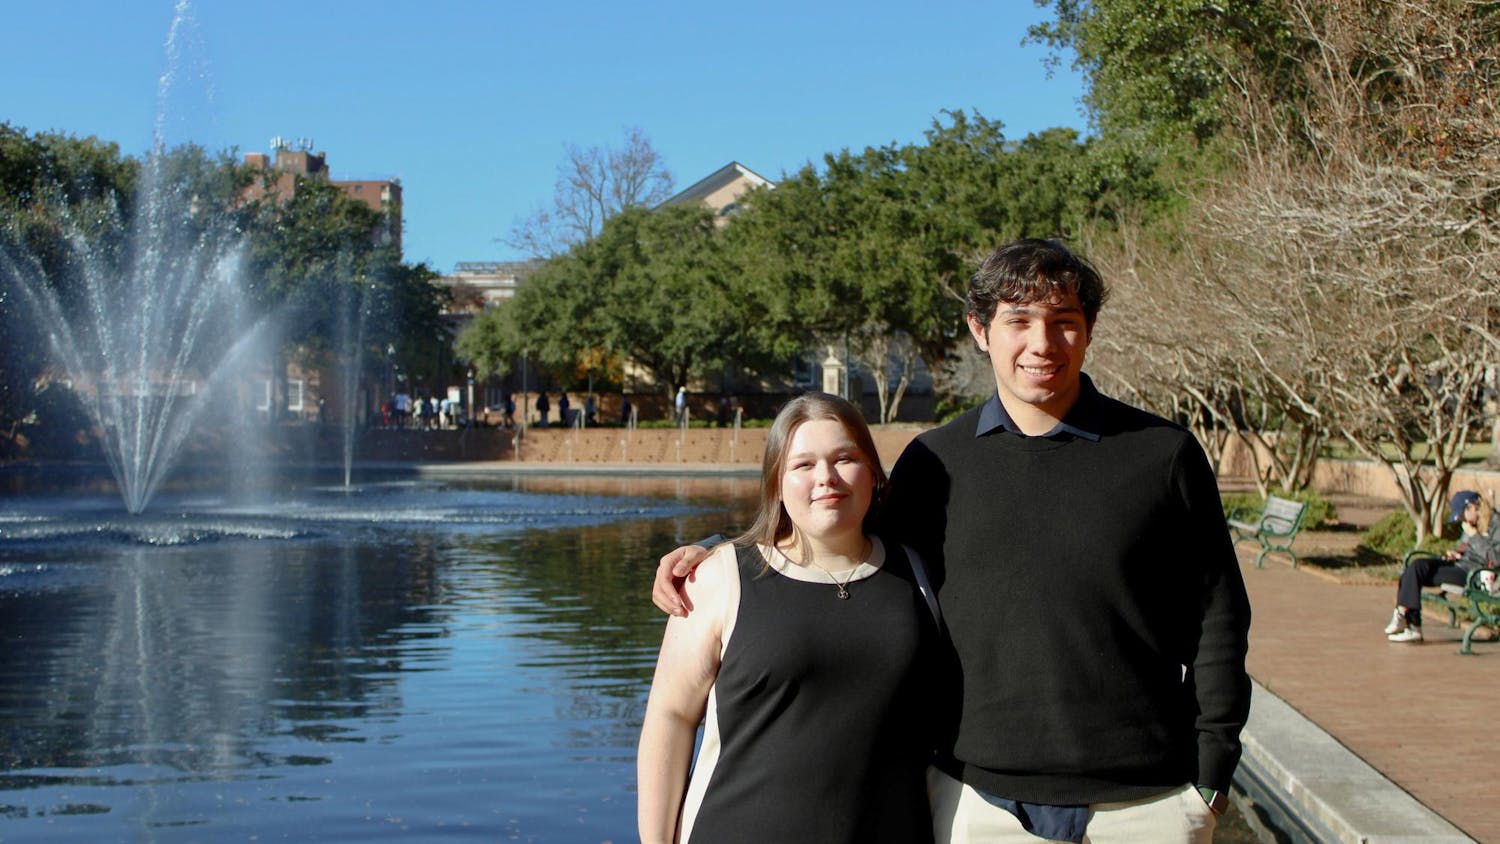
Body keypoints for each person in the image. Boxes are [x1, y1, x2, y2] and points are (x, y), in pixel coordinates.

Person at [653, 239, 1250, 843]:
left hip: (1145, 805)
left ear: (1088, 330)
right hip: (977, 807)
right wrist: (713, 555)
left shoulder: (1161, 455)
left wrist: (1209, 779)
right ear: (980, 330)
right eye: (1018, 321)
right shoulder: (935, 463)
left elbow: (1219, 618)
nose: (1041, 344)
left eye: (1063, 323)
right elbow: (834, 538)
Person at [637, 393, 941, 844]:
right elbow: (671, 717)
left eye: (845, 459)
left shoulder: (916, 574)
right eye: (803, 465)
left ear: (873, 474)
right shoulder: (720, 577)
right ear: (777, 481)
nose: (826, 478)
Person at [1385, 490, 1497, 643]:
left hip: (1474, 574)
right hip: (1461, 564)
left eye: (1462, 516)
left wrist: (1474, 536)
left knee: (1414, 572)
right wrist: (1457, 553)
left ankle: (1408, 622)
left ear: (1471, 507)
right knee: (1416, 566)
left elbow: (1495, 558)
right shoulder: (1472, 523)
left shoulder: (1496, 524)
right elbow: (1468, 549)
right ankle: (1406, 618)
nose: (1462, 521)